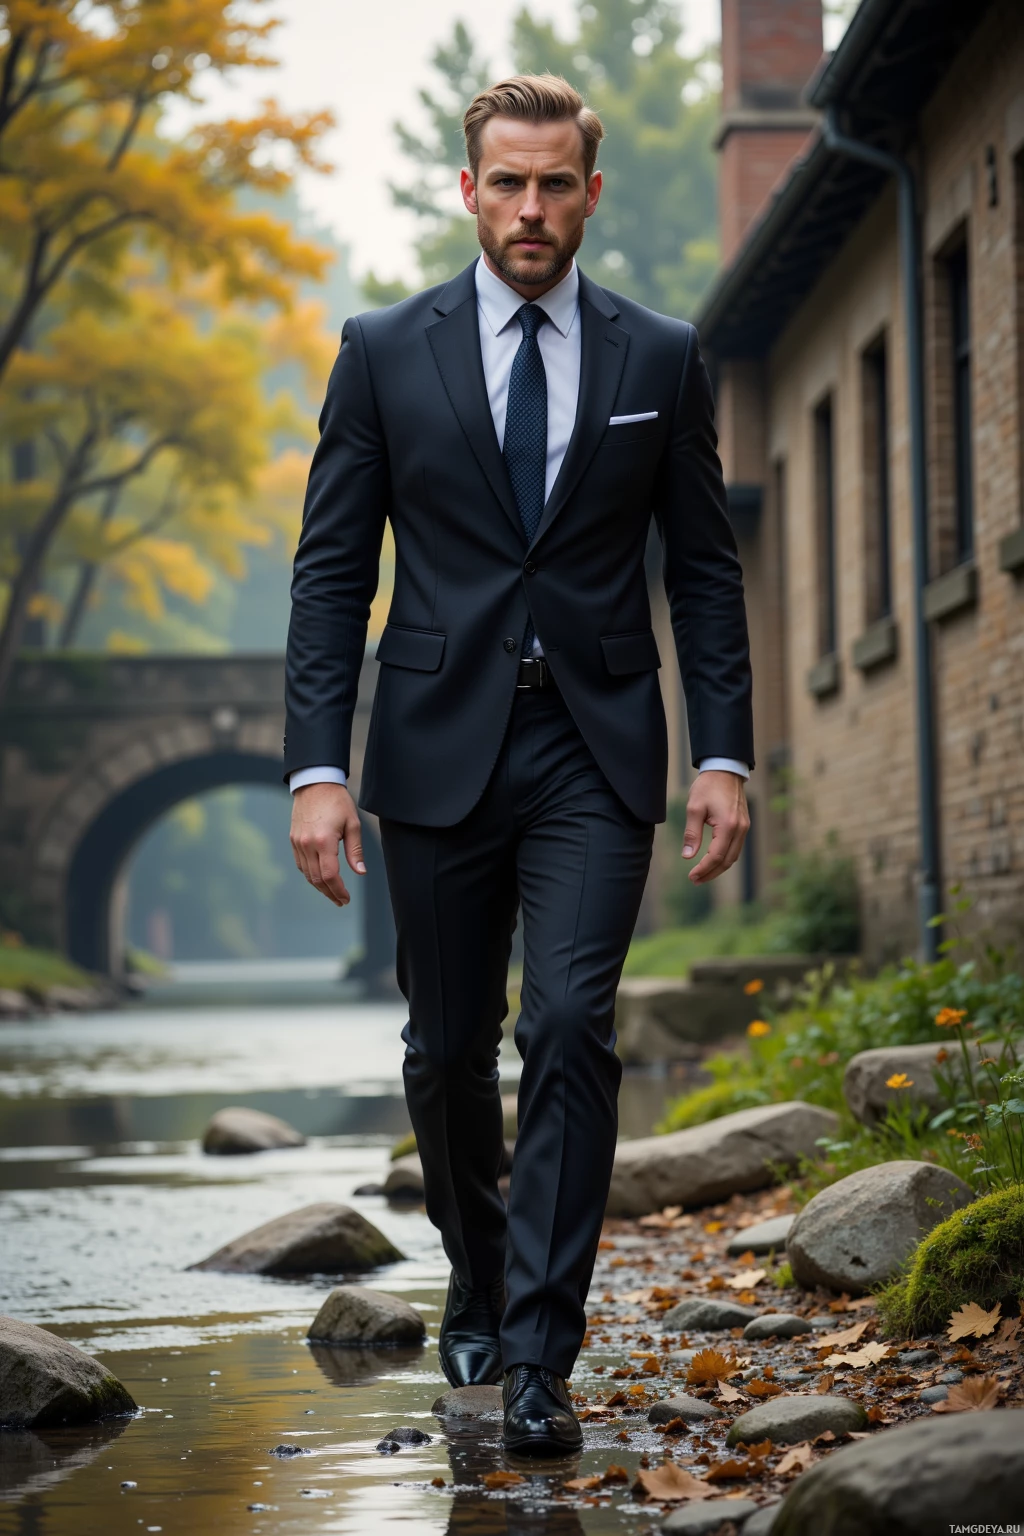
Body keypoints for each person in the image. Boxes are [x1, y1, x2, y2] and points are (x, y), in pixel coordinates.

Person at [285, 73, 753, 1458]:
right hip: (432, 750)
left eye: (557, 185)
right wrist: (317, 765)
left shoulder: (660, 356)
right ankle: (479, 1280)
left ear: (591, 193)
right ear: (469, 189)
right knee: (445, 1051)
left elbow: (709, 578)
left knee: (568, 1025)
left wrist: (723, 750)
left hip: (594, 748)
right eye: (509, 183)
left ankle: (541, 1352)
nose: (533, 208)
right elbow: (328, 577)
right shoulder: (382, 349)